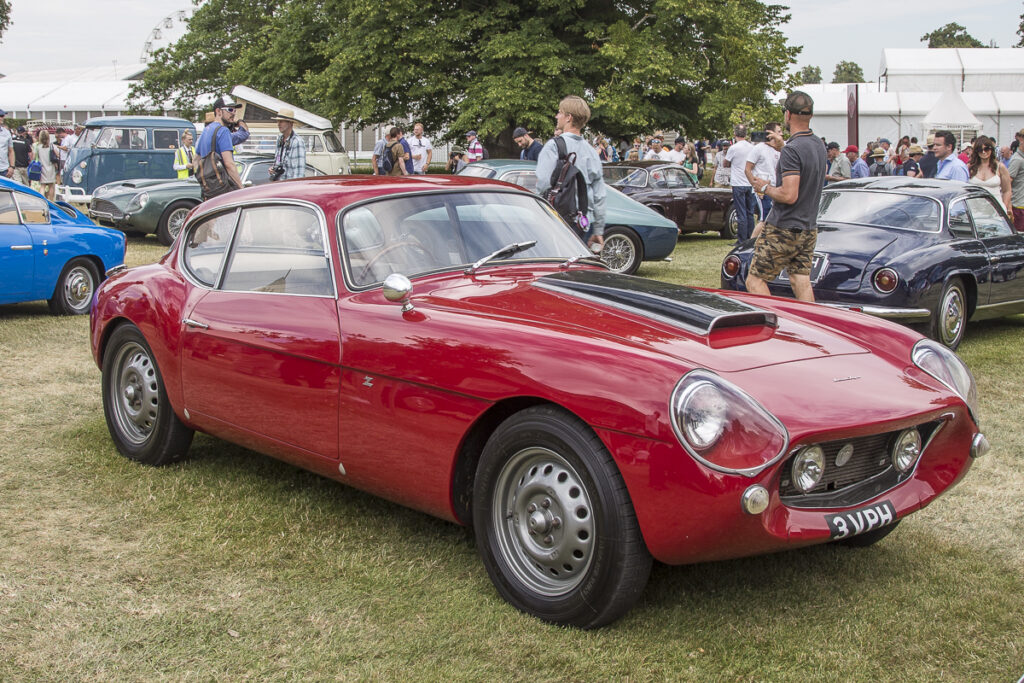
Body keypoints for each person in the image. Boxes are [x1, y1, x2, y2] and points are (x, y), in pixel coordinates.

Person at [746, 90, 825, 303]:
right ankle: (811, 327)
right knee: (800, 279)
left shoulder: (793, 149)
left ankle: (774, 322)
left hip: (784, 227)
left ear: (787, 115)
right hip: (808, 227)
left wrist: (764, 187)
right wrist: (783, 147)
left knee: (754, 281)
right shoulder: (818, 144)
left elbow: (789, 195)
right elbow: (804, 164)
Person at [535, 95, 607, 253]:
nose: (557, 116)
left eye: (560, 112)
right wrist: (598, 230)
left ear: (569, 117)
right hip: (582, 223)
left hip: (556, 220)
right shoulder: (592, 152)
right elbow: (600, 196)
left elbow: (543, 184)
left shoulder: (553, 146)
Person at [194, 95, 245, 200]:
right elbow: (229, 164)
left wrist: (203, 182)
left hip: (209, 191)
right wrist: (241, 189)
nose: (233, 113)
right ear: (218, 111)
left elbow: (195, 160)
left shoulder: (206, 130)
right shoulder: (223, 131)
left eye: (235, 110)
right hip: (223, 190)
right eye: (230, 110)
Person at [745, 122, 784, 221]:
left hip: (777, 190)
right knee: (765, 221)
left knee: (774, 221)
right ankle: (757, 237)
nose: (782, 134)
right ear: (770, 133)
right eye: (779, 131)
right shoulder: (759, 148)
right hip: (763, 192)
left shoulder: (782, 148)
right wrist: (756, 186)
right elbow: (747, 169)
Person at [723, 124, 755, 242]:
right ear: (746, 134)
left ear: (735, 134)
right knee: (749, 212)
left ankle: (741, 239)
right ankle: (750, 237)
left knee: (741, 212)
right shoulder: (751, 147)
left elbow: (725, 163)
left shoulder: (734, 148)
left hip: (738, 182)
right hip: (749, 182)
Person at [968, 135, 1012, 216]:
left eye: (986, 149)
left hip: (996, 212)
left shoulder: (1000, 167)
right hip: (974, 212)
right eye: (980, 149)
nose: (983, 152)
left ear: (991, 149)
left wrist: (1003, 209)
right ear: (976, 151)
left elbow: (1007, 190)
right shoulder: (970, 167)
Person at [270, 108, 307, 180]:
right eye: (278, 121)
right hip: (278, 185)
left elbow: (299, 173)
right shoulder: (280, 139)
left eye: (281, 122)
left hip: (289, 187)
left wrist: (294, 189)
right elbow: (278, 163)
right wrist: (273, 169)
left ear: (290, 123)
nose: (278, 124)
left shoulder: (297, 142)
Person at [33, 129, 58, 200]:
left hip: (42, 167)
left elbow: (34, 157)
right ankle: (51, 201)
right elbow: (57, 155)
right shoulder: (51, 146)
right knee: (51, 185)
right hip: (51, 167)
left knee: (42, 186)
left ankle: (42, 200)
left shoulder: (37, 147)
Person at [0, 109, 13, 180]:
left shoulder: (6, 132)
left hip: (4, 170)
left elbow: (11, 151)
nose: (3, 118)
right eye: (1, 116)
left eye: (3, 116)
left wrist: (12, 167)